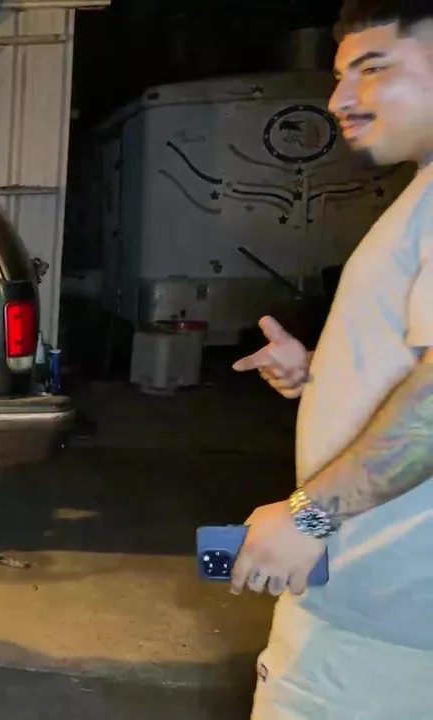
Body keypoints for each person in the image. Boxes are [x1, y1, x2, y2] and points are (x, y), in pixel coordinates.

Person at [229, 3, 433, 717]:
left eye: (373, 69)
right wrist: (323, 374)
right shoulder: (420, 196)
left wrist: (309, 516)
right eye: (341, 76)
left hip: (384, 623)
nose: (340, 99)